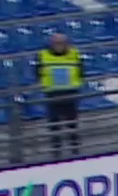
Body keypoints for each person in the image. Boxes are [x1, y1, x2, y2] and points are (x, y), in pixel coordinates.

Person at [34, 31, 84, 159]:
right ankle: (56, 151)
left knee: (72, 123)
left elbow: (81, 71)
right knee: (54, 124)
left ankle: (75, 149)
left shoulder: (75, 54)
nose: (60, 45)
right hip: (52, 94)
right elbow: (38, 73)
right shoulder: (43, 55)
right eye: (57, 43)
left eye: (62, 43)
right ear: (51, 44)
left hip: (70, 93)